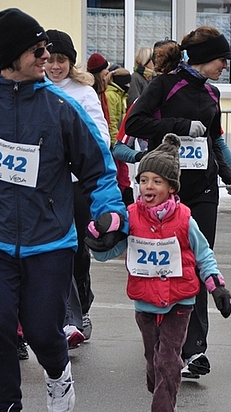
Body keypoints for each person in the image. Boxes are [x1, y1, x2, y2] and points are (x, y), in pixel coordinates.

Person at [0, 8, 127, 412]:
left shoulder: (60, 108)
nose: (46, 57)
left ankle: (58, 371)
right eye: (37, 50)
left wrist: (109, 212)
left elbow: (99, 170)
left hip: (49, 241)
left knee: (40, 330)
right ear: (10, 55)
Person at [90, 134, 231, 412]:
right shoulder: (130, 217)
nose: (148, 187)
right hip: (145, 301)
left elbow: (203, 254)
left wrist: (217, 287)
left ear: (171, 187)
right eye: (143, 180)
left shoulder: (184, 219)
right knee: (153, 361)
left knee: (168, 359)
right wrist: (97, 244)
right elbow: (113, 251)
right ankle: (161, 384)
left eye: (156, 181)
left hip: (180, 301)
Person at [125, 25, 231, 380]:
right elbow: (135, 122)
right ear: (205, 58)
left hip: (203, 190)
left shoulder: (214, 93)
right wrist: (179, 125)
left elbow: (215, 141)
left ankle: (195, 352)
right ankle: (164, 337)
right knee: (167, 266)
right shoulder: (164, 85)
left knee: (197, 264)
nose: (226, 65)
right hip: (166, 190)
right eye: (223, 59)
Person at [44, 28, 111, 346]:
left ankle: (82, 304)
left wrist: (71, 154)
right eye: (51, 59)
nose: (55, 66)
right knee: (57, 249)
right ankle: (66, 317)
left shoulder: (83, 92)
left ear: (71, 62)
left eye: (62, 60)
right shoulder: (33, 87)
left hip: (76, 183)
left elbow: (102, 136)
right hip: (46, 184)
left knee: (78, 251)